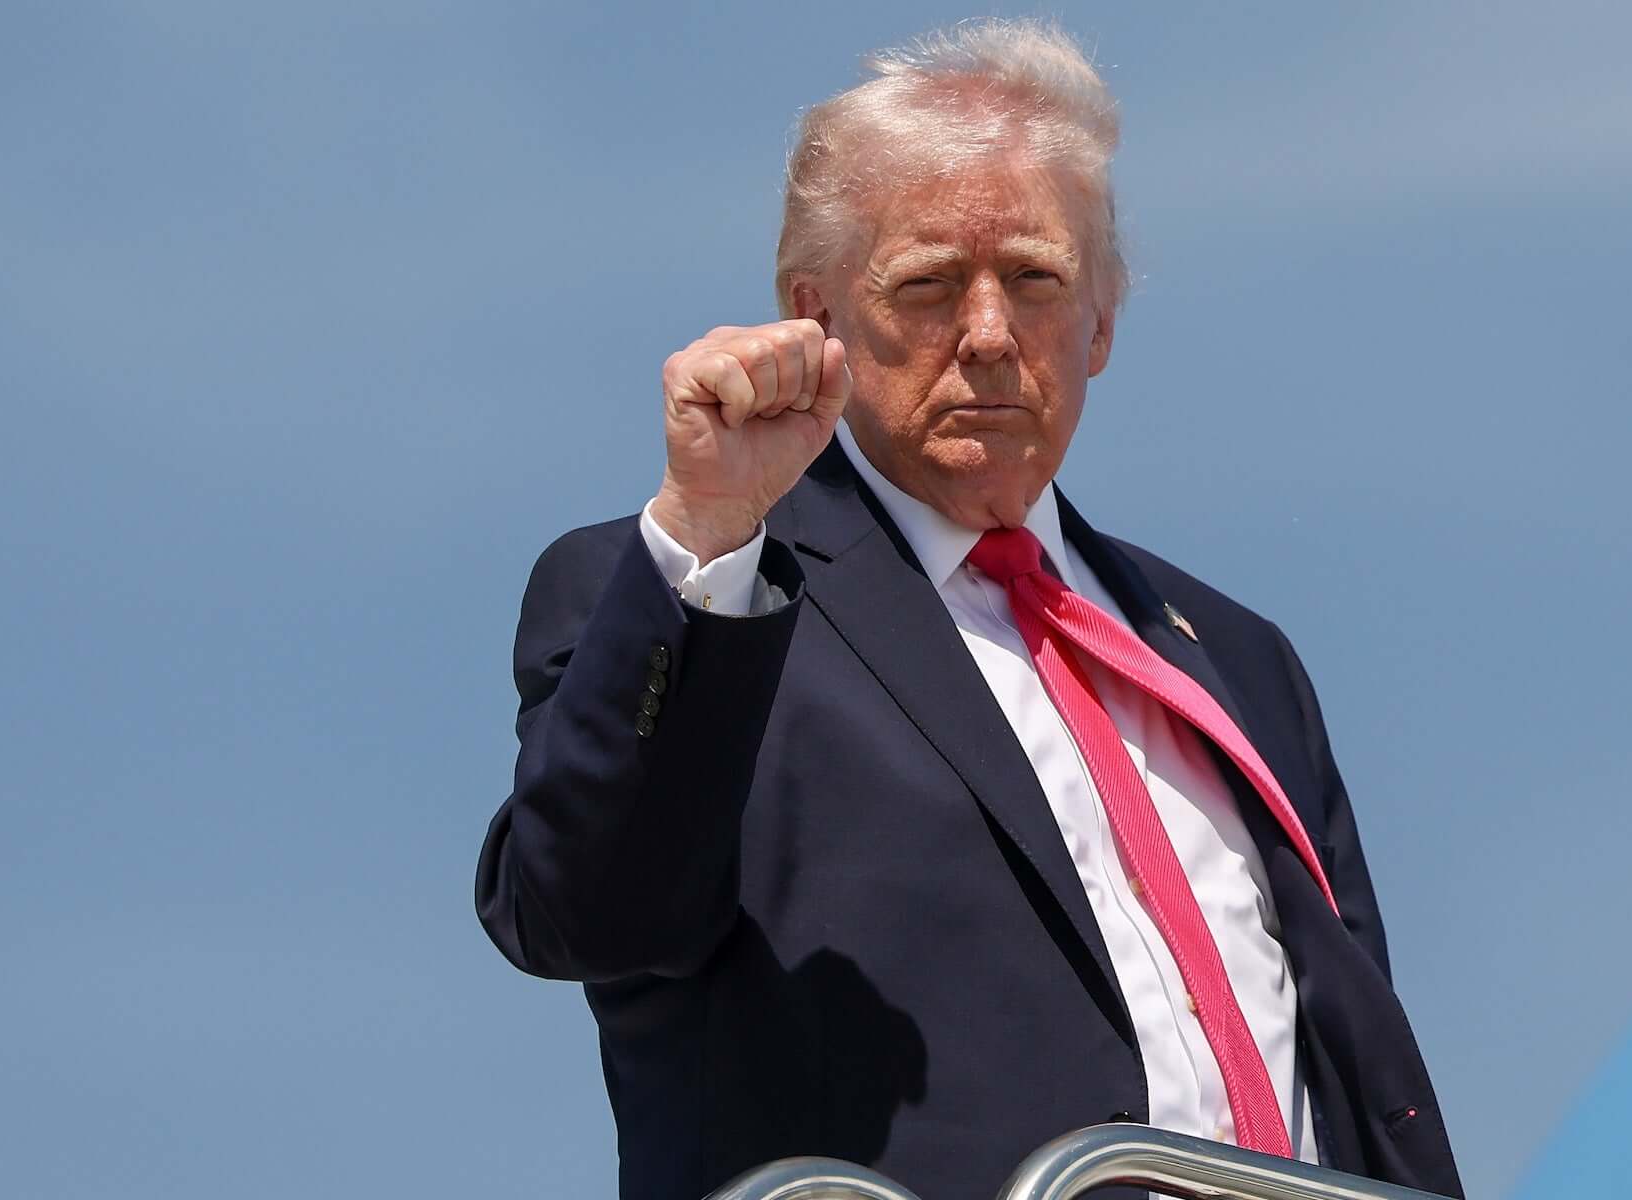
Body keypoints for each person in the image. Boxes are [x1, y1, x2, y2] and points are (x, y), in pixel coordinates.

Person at [475, 19, 1461, 1200]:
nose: (988, 334)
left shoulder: (1232, 661)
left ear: (1100, 322)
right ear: (817, 313)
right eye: (929, 283)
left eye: (1036, 280)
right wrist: (709, 526)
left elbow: (1359, 1066)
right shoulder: (704, 592)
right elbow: (583, 912)